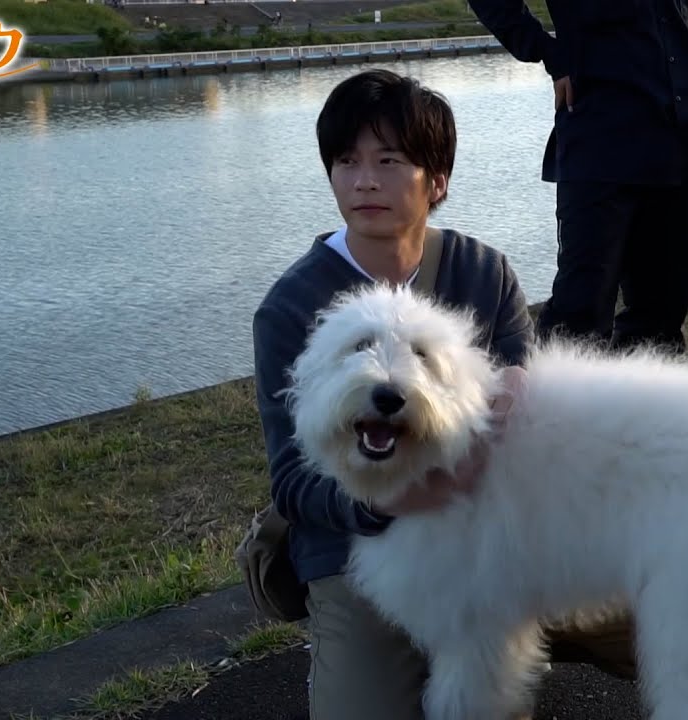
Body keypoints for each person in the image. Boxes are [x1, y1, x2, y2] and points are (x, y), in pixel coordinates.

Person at [252, 68, 631, 719]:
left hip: (494, 528)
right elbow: (291, 478)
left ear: (438, 180)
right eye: (346, 161)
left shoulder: (483, 272)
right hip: (354, 544)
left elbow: (526, 416)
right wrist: (382, 503)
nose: (365, 180)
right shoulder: (291, 307)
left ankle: (508, 636)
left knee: (668, 617)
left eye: (389, 161)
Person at [468, 0, 688, 354]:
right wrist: (548, 52)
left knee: (660, 323)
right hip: (599, 134)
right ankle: (556, 409)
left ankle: (650, 409)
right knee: (578, 317)